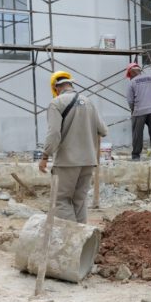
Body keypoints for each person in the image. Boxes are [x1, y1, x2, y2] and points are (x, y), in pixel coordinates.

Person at [39, 71, 108, 224]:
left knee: (61, 200)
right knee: (80, 201)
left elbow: (54, 134)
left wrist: (45, 156)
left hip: (67, 162)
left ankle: (72, 238)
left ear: (56, 88)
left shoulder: (56, 103)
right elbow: (103, 130)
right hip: (89, 161)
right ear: (70, 84)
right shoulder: (88, 101)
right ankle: (82, 242)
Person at [125, 62, 151, 161]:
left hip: (139, 112)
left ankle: (136, 156)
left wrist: (132, 111)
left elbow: (130, 101)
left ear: (131, 72)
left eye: (129, 75)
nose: (129, 77)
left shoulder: (132, 83)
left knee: (137, 135)